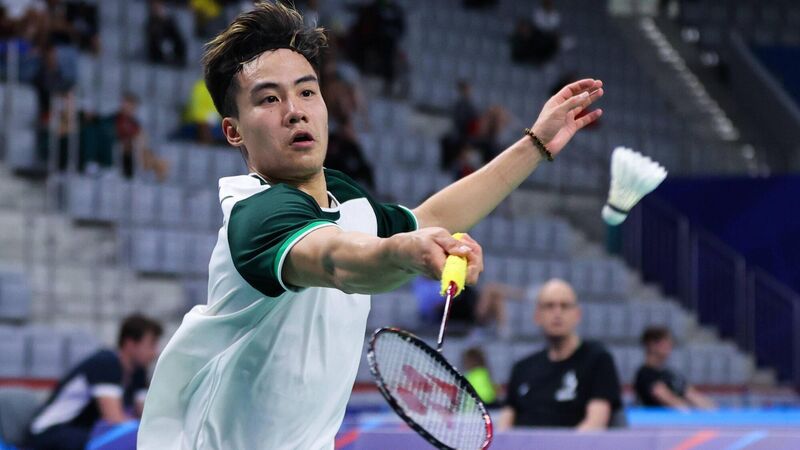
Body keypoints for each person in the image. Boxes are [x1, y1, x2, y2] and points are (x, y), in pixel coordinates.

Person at [137, 3, 604, 449]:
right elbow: (337, 261)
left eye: (307, 92)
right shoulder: (256, 214)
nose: (295, 110)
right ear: (233, 130)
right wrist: (405, 251)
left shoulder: (346, 200)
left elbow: (429, 219)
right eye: (269, 99)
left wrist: (535, 145)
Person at [499, 279, 622, 430]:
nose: (557, 313)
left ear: (577, 314)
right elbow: (504, 426)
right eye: (549, 306)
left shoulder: (598, 360)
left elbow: (595, 424)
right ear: (537, 316)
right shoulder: (521, 368)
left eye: (565, 306)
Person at [27, 315, 163, 450]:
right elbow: (114, 418)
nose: (155, 352)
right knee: (115, 441)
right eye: (151, 345)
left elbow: (146, 416)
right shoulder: (106, 363)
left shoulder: (138, 372)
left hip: (80, 432)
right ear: (130, 344)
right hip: (50, 432)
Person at [635, 326, 716, 410]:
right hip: (658, 417)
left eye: (669, 342)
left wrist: (713, 411)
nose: (669, 346)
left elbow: (693, 395)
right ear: (651, 345)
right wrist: (688, 412)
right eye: (664, 342)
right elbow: (668, 399)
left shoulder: (671, 374)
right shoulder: (645, 374)